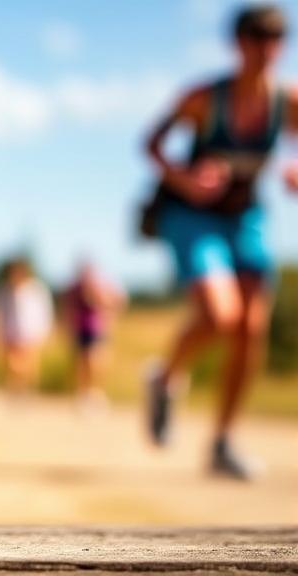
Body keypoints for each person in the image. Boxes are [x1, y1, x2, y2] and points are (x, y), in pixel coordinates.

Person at [143, 3, 298, 480]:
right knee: (221, 314)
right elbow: (150, 143)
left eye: (275, 40)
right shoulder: (204, 98)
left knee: (251, 328)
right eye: (256, 39)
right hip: (191, 216)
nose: (266, 50)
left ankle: (222, 443)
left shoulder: (286, 101)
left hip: (245, 218)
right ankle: (165, 378)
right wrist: (187, 178)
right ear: (238, 44)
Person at [62, 260, 125, 411]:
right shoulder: (74, 288)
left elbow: (118, 301)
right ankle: (83, 394)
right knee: (81, 362)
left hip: (97, 329)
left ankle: (96, 392)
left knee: (96, 362)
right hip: (80, 329)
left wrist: (108, 311)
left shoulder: (101, 286)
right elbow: (67, 308)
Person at [0, 258, 53, 396]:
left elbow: (44, 311)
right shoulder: (4, 290)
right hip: (10, 332)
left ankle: (26, 390)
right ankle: (14, 390)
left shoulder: (36, 289)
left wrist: (42, 331)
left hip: (30, 333)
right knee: (11, 364)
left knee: (29, 364)